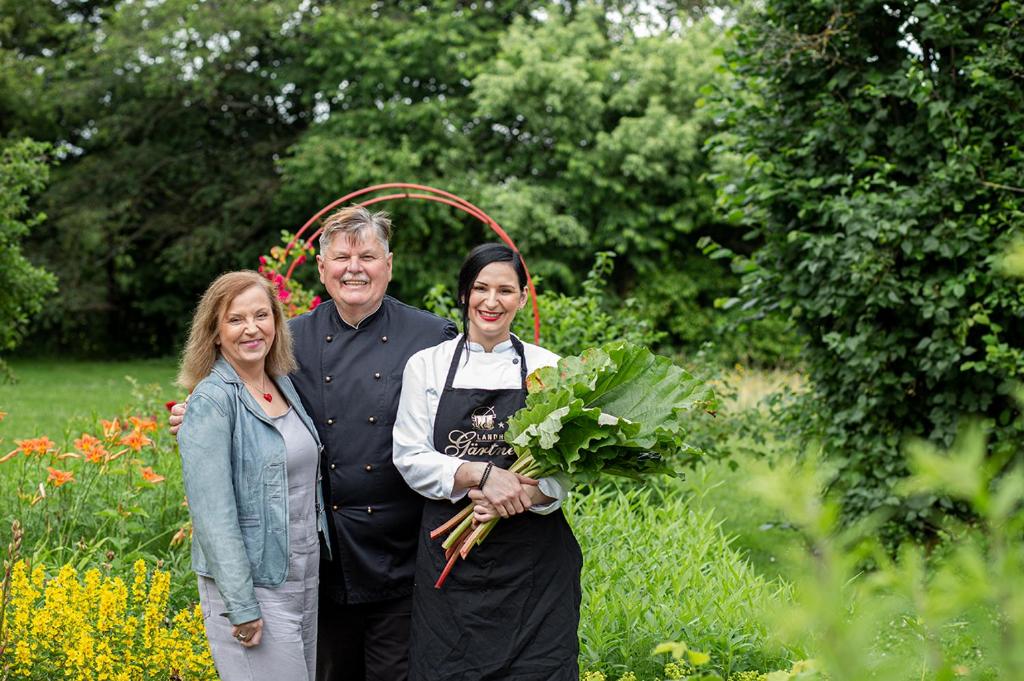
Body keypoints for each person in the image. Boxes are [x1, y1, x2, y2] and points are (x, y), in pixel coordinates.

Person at [172, 206, 456, 681]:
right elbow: (239, 406)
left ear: (389, 264)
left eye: (367, 255)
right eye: (341, 256)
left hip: (401, 558)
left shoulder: (432, 337)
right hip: (321, 565)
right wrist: (198, 416)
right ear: (322, 268)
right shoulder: (290, 341)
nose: (354, 268)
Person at [393, 243, 583, 681]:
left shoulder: (548, 368)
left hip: (534, 567)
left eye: (505, 290)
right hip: (450, 561)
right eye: (480, 288)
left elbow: (565, 465)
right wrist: (482, 475)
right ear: (464, 294)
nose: (491, 302)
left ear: (522, 296)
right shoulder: (428, 365)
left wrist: (520, 494)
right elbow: (409, 455)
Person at [176, 270, 332, 681]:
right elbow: (213, 519)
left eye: (261, 315)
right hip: (251, 587)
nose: (251, 329)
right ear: (214, 332)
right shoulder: (212, 401)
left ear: (277, 323)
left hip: (300, 575)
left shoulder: (281, 384)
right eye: (235, 319)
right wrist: (242, 606)